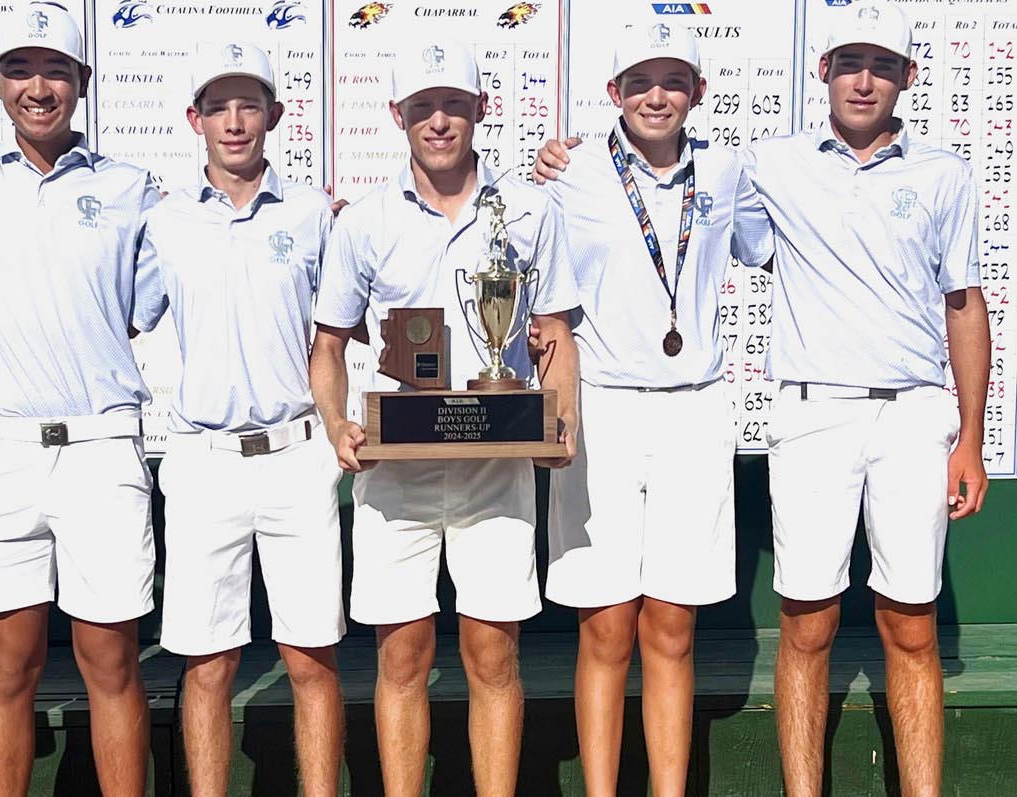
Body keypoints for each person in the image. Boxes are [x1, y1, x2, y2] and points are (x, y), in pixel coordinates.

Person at [536, 3, 988, 794]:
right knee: (756, 625)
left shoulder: (762, 170)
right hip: (747, 412)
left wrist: (971, 438)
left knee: (899, 625)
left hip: (892, 413)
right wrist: (552, 154)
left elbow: (961, 301)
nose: (864, 81)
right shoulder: (738, 166)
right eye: (850, 63)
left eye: (882, 66)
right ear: (822, 71)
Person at [309, 41, 579, 796]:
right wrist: (336, 424)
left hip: (497, 471)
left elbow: (555, 332)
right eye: (423, 107)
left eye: (454, 105)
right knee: (401, 658)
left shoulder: (529, 209)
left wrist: (562, 422)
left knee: (494, 657)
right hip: (397, 477)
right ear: (398, 116)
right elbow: (328, 347)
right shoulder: (364, 220)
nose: (439, 122)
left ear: (481, 110)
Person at [529, 22, 773, 796]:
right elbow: (505, 251)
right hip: (600, 409)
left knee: (672, 626)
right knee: (605, 626)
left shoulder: (729, 171)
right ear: (614, 93)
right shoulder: (569, 174)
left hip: (694, 411)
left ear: (698, 92)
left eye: (672, 81)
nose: (655, 97)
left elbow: (772, 247)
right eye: (639, 82)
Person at [0, 6, 160, 793]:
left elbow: (151, 298)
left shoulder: (130, 188)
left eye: (56, 71)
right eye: (21, 70)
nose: (38, 88)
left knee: (113, 662)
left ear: (83, 82)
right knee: (7, 667)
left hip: (101, 447)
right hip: (3, 451)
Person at [132, 42, 345, 796]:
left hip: (296, 454)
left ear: (274, 116)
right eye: (218, 107)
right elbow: (119, 315)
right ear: (195, 119)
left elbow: (345, 328)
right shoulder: (164, 222)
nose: (234, 122)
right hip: (204, 460)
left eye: (248, 105)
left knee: (311, 657)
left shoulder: (314, 214)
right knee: (208, 662)